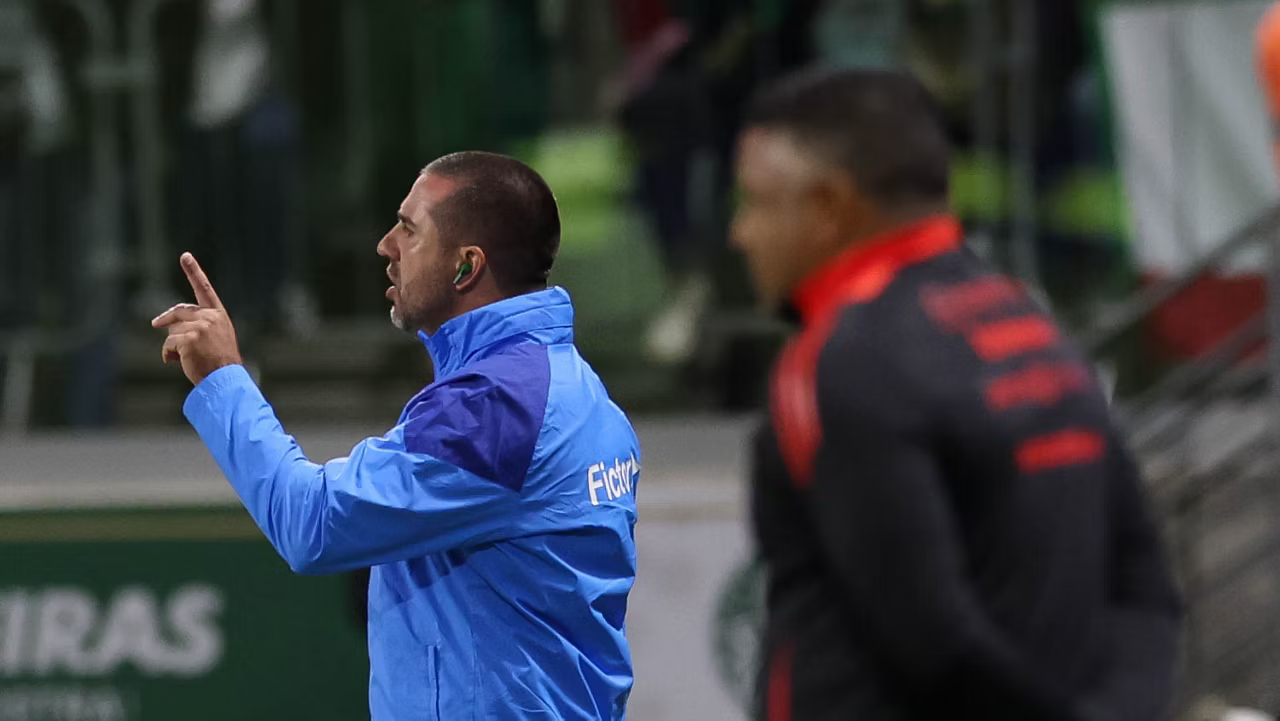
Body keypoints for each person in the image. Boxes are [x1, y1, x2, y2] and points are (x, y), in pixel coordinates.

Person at [729, 67, 1181, 720]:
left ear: (829, 206)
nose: (740, 233)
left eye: (756, 201)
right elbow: (1146, 590)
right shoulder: (1030, 323)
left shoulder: (836, 361)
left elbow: (929, 636)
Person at [152, 151, 640, 720]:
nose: (385, 245)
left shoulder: (496, 407)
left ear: (466, 266)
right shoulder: (573, 387)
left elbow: (313, 524)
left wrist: (224, 378)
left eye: (409, 229)